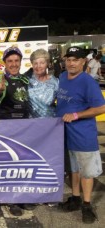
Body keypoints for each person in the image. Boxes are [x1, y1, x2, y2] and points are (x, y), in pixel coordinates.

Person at [56, 46, 105, 224]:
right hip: (66, 134)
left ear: (83, 61)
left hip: (83, 134)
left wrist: (77, 115)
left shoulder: (88, 82)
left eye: (75, 59)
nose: (71, 63)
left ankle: (86, 204)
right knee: (73, 169)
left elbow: (101, 107)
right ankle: (75, 198)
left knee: (87, 171)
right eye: (68, 59)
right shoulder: (62, 77)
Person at [0, 46, 34, 216]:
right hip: (6, 130)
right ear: (5, 63)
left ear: (20, 62)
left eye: (16, 61)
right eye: (10, 61)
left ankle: (22, 196)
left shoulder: (27, 80)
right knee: (9, 165)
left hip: (25, 128)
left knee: (23, 164)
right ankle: (11, 199)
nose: (13, 64)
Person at [28, 48, 58, 118]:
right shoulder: (26, 81)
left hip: (50, 123)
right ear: (32, 64)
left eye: (42, 63)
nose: (38, 66)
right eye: (35, 63)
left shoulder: (55, 82)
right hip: (30, 124)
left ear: (47, 63)